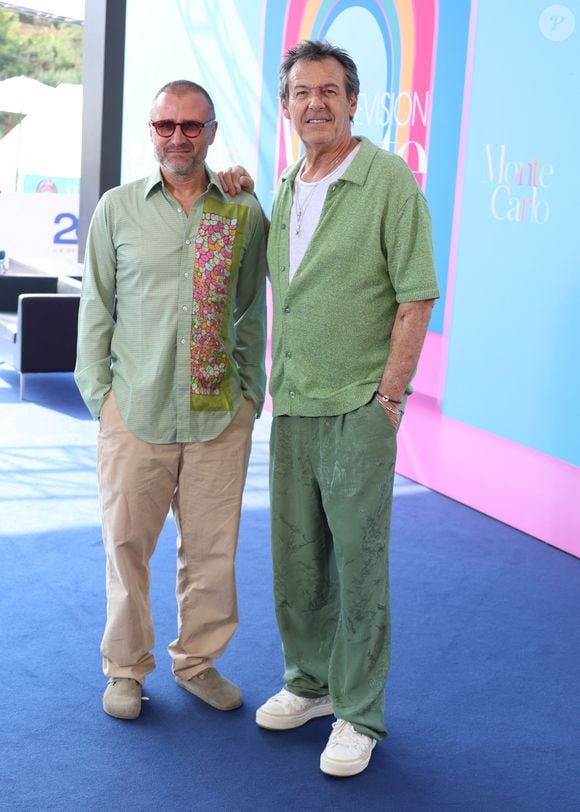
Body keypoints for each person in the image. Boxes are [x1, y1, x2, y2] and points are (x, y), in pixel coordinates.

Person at [219, 40, 439, 777]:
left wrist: (389, 400)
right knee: (298, 559)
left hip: (357, 407)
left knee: (358, 567)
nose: (315, 103)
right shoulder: (288, 183)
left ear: (352, 102)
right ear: (286, 106)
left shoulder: (386, 179)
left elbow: (416, 296)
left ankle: (359, 712)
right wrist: (238, 189)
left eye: (329, 91)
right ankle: (309, 683)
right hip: (295, 403)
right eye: (302, 92)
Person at [75, 80, 267, 721]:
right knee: (126, 546)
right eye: (166, 125)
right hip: (135, 409)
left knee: (212, 551)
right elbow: (96, 306)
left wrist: (250, 395)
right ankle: (126, 669)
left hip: (219, 414)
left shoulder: (241, 210)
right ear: (151, 131)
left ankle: (198, 663)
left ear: (211, 132)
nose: (178, 137)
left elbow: (251, 309)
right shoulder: (117, 208)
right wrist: (101, 398)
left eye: (191, 125)